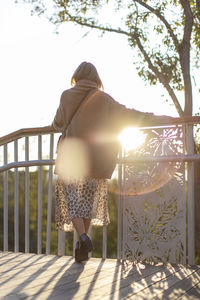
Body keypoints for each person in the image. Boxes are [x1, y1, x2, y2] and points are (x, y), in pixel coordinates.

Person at [52, 61, 169, 262]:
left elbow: (58, 123)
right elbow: (127, 114)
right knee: (88, 201)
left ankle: (82, 237)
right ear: (97, 79)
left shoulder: (66, 95)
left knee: (71, 198)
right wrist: (154, 118)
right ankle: (82, 245)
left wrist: (56, 124)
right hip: (97, 159)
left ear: (76, 76)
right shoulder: (104, 99)